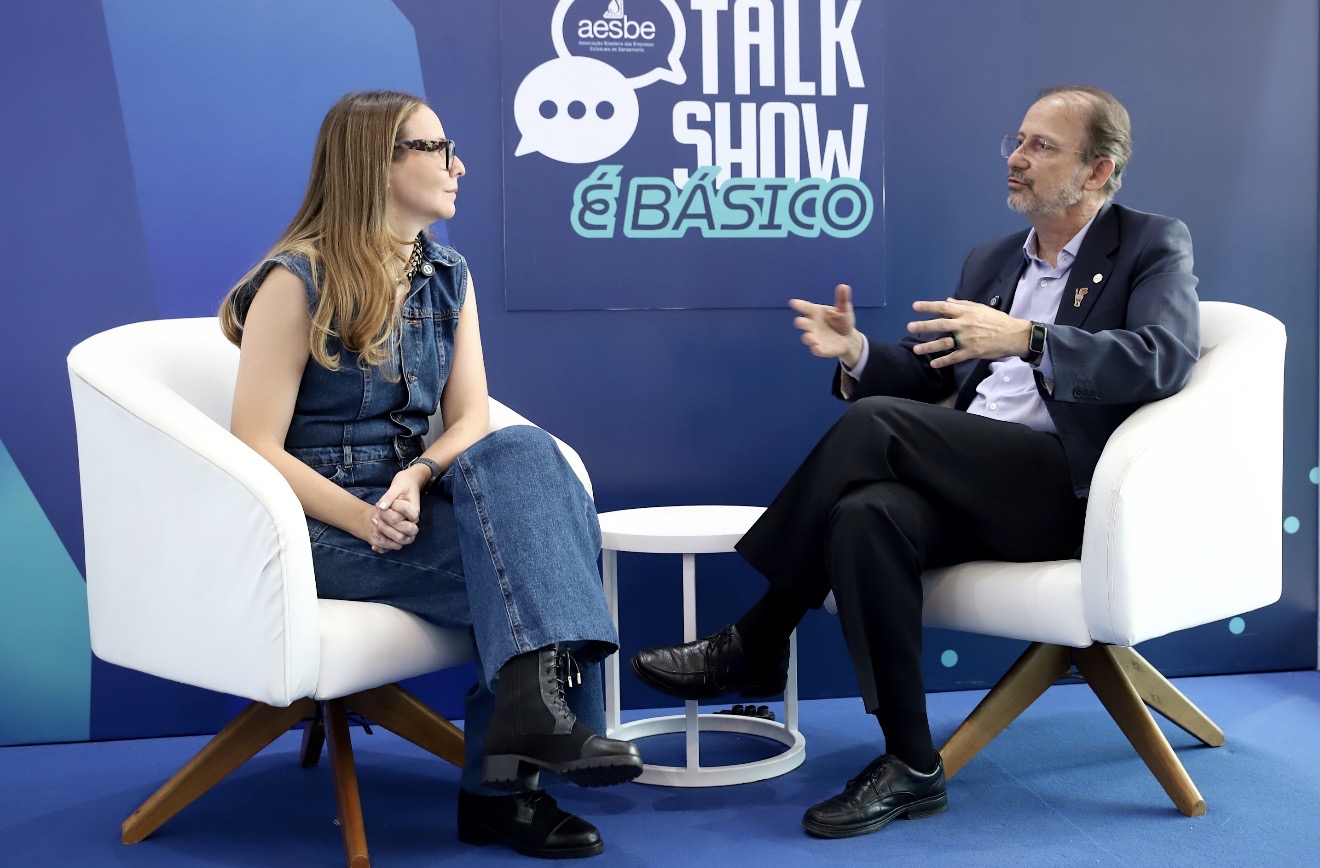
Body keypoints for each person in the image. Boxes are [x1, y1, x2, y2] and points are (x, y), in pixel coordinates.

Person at [632, 85, 1200, 838]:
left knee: (875, 430)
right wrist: (859, 353)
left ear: (1098, 171)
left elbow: (1162, 358)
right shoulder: (993, 260)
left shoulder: (1150, 243)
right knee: (866, 514)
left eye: (1042, 147)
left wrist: (1027, 340)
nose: (1018, 159)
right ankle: (911, 763)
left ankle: (760, 637)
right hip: (971, 478)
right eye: (1018, 141)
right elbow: (934, 377)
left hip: (1056, 489)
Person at [220, 90, 641, 860]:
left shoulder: (448, 273)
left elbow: (473, 417)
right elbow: (254, 444)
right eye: (438, 149)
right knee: (541, 556)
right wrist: (365, 517)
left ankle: (523, 736)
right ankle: (505, 787)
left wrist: (416, 476)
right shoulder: (297, 279)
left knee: (527, 454)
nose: (460, 167)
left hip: (407, 501)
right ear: (380, 165)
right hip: (319, 525)